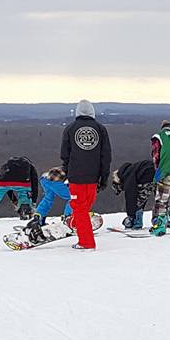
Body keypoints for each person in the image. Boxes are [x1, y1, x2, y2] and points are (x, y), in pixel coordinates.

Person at [60, 99, 111, 250]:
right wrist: (104, 177)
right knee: (84, 206)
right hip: (94, 176)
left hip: (77, 176)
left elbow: (65, 154)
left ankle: (86, 241)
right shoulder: (101, 129)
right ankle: (77, 224)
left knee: (80, 208)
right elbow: (106, 156)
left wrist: (67, 173)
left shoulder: (70, 129)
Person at [0, 156, 40, 221]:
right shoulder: (30, 166)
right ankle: (25, 211)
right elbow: (34, 183)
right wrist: (34, 201)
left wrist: (13, 200)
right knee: (24, 194)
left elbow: (8, 184)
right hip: (22, 182)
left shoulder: (8, 164)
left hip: (2, 181)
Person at [111, 160, 156, 230]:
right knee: (162, 199)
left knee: (137, 202)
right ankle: (167, 218)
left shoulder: (128, 175)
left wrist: (130, 214)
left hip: (147, 175)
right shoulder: (131, 170)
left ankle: (136, 223)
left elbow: (130, 196)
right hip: (158, 171)